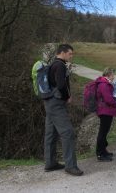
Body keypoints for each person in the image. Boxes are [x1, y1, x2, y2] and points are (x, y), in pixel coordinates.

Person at [44, 44, 83, 176]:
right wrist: (67, 97)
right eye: (70, 54)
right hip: (56, 104)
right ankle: (70, 166)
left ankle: (50, 163)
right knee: (68, 133)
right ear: (63, 53)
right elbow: (61, 85)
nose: (71, 56)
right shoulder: (60, 65)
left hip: (49, 102)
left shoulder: (53, 64)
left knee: (51, 133)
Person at [95, 68, 116, 162]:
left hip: (106, 110)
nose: (114, 77)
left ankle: (103, 151)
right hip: (105, 111)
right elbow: (108, 99)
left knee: (104, 132)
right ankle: (100, 154)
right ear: (109, 74)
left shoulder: (105, 83)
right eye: (113, 74)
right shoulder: (104, 84)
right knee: (103, 132)